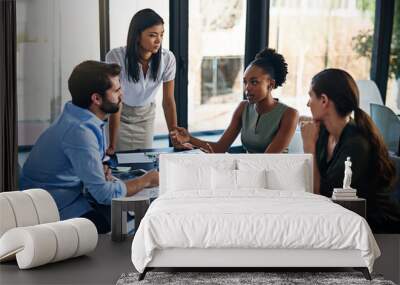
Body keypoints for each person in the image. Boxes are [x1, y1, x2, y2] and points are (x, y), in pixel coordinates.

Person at [19, 61, 159, 233]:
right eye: (116, 90)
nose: (122, 95)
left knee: (127, 213)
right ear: (96, 99)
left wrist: (101, 168)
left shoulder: (78, 116)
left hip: (68, 194)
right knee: (132, 222)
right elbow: (104, 194)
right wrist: (146, 180)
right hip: (54, 209)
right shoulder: (79, 131)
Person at [300, 68, 400, 233]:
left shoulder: (357, 144)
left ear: (324, 100)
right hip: (347, 218)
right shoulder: (324, 132)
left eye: (311, 96)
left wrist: (309, 146)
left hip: (377, 228)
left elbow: (321, 198)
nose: (308, 103)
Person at [171, 48, 299, 153]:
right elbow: (220, 148)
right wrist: (189, 138)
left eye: (254, 82)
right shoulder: (243, 108)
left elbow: (266, 161)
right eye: (245, 82)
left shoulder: (289, 114)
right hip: (246, 173)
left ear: (270, 84)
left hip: (274, 177)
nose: (247, 88)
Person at [106, 8, 178, 153]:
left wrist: (175, 137)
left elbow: (168, 100)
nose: (158, 40)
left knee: (143, 162)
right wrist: (112, 145)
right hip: (120, 115)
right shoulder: (115, 57)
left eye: (161, 35)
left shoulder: (167, 58)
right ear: (137, 35)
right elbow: (115, 100)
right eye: (152, 35)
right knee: (119, 163)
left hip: (145, 116)